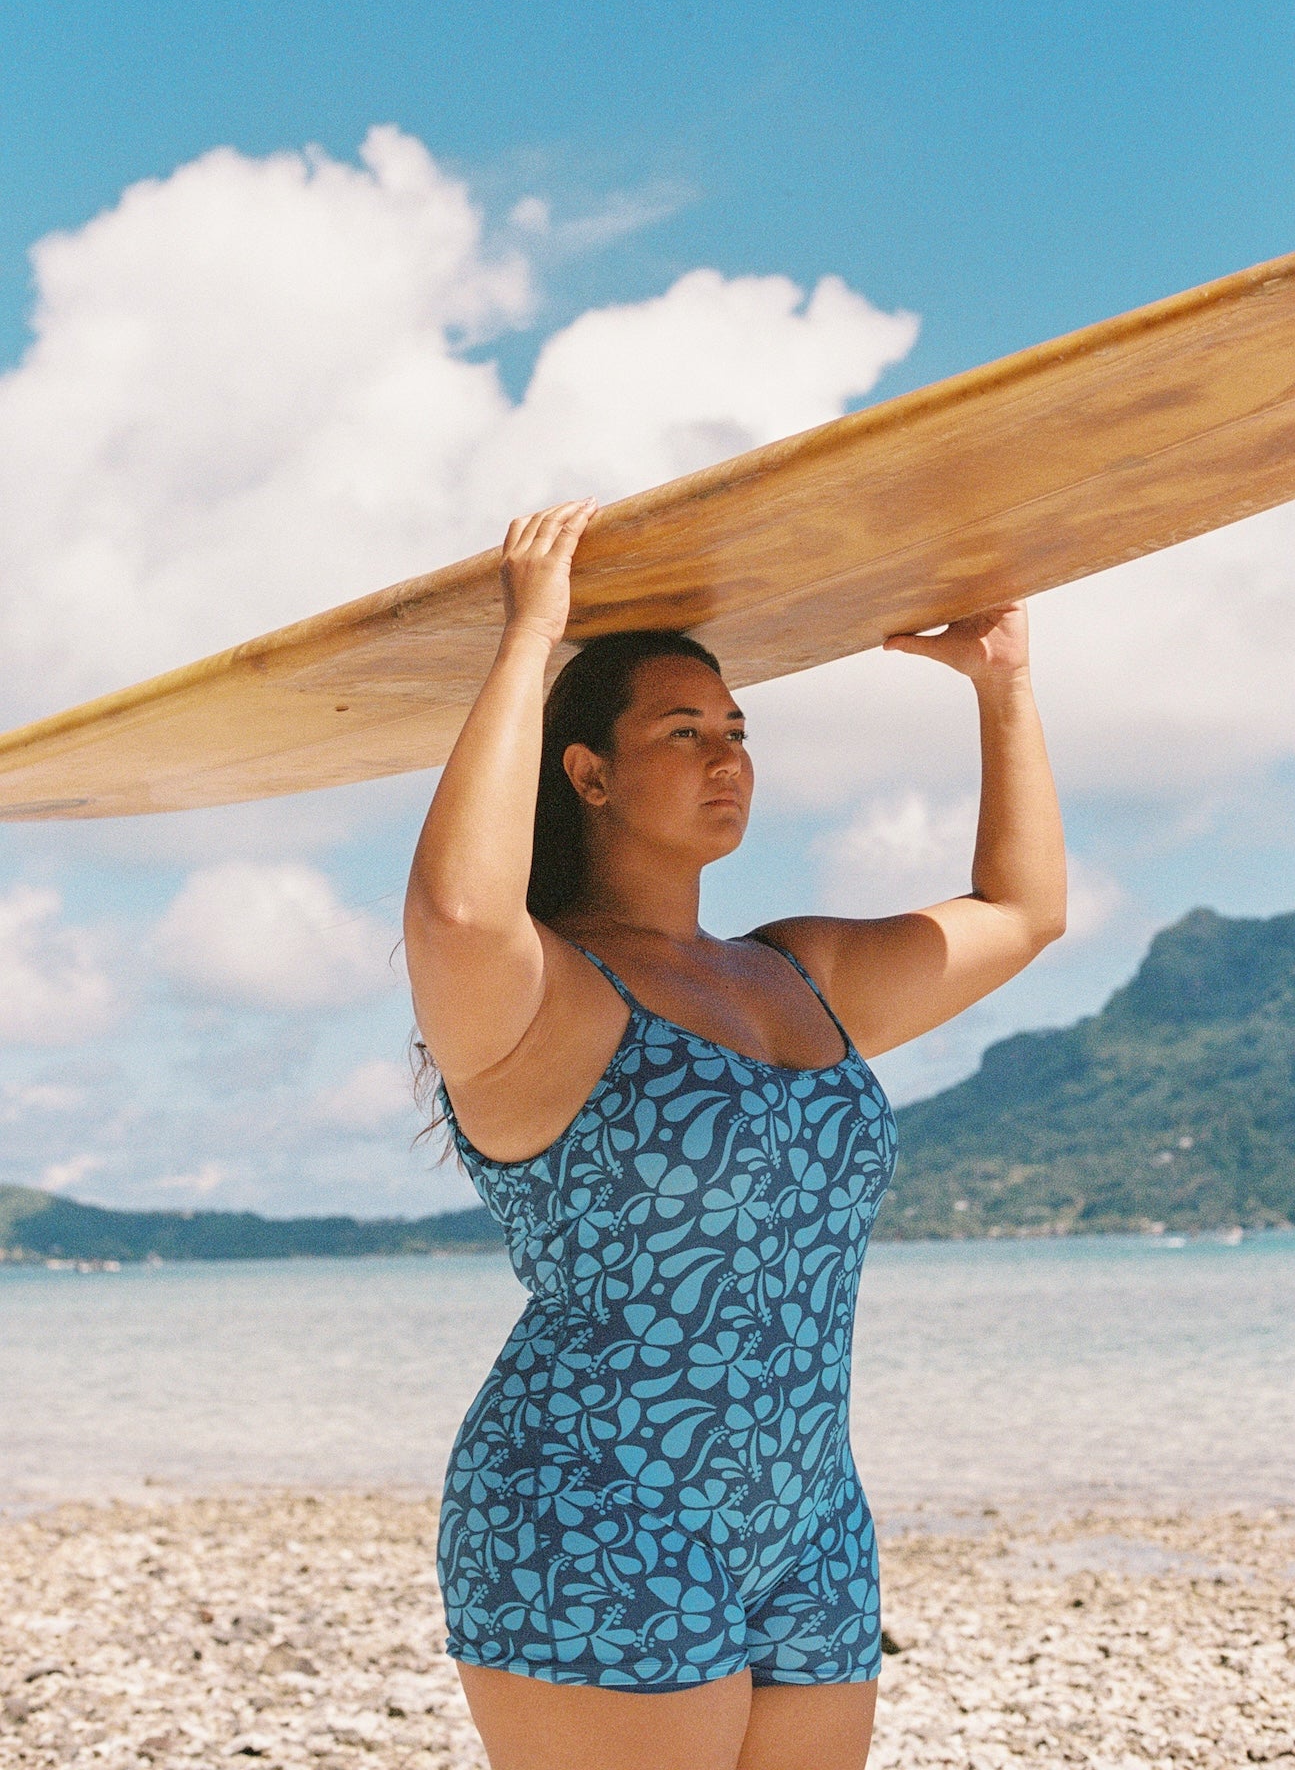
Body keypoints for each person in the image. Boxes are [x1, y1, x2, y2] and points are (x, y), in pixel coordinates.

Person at [404, 498, 1066, 1770]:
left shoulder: (797, 972)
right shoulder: (540, 996)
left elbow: (1022, 911)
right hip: (589, 1509)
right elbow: (456, 912)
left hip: (809, 1515)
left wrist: (1001, 683)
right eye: (682, 731)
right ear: (585, 773)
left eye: (736, 731)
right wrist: (530, 634)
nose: (727, 759)